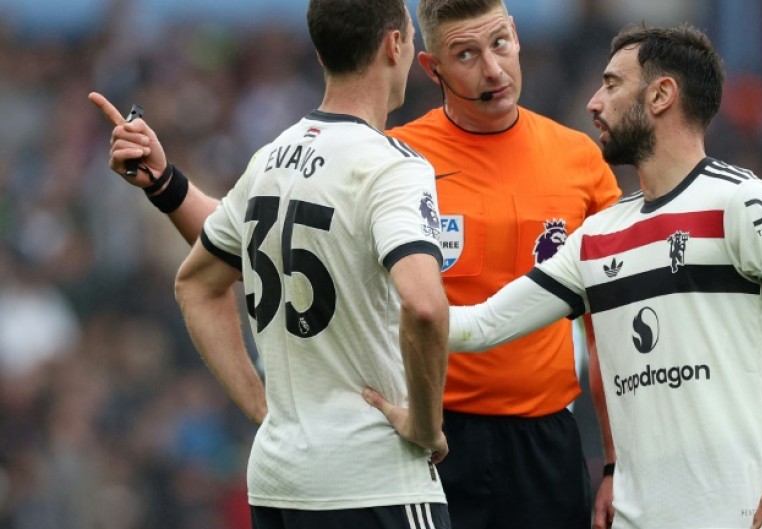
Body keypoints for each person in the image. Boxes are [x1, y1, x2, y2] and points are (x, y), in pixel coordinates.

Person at [91, 1, 623, 528]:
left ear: (517, 37)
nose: (492, 69)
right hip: (424, 432)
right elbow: (267, 233)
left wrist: (618, 460)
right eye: (466, 54)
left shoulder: (579, 161)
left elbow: (609, 323)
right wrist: (167, 187)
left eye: (500, 44)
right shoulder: (393, 159)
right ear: (428, 66)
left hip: (543, 439)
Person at [436, 24, 762, 529]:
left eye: (611, 85)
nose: (593, 103)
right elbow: (480, 327)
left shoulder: (743, 202)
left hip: (738, 516)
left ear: (660, 95)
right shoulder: (596, 236)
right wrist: (367, 321)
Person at [92, 1, 452, 528]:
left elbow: (198, 280)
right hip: (372, 479)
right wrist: (425, 424)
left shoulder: (272, 158)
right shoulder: (392, 168)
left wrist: (265, 412)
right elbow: (424, 306)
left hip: (279, 480)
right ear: (394, 45)